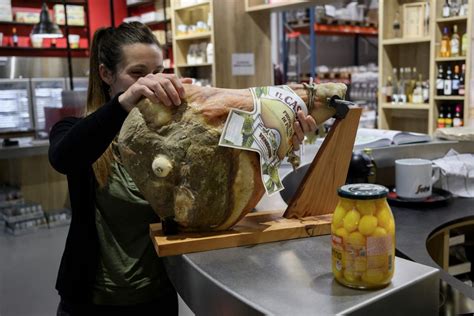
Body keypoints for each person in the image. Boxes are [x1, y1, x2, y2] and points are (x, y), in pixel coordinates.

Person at [49, 22, 316, 315]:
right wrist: (125, 102)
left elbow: (226, 191)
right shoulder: (77, 131)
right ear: (106, 74)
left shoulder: (175, 135)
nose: (150, 82)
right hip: (90, 302)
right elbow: (63, 158)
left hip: (156, 298)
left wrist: (280, 141)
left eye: (158, 72)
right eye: (137, 73)